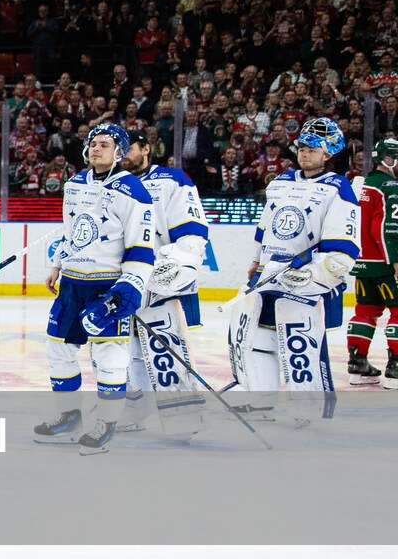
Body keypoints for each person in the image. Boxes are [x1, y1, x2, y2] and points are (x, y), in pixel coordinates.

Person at [36, 123, 159, 454]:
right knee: (57, 348)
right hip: (73, 282)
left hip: (108, 284)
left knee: (109, 355)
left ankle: (107, 422)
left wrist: (127, 291)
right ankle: (68, 415)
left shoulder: (133, 190)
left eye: (105, 144)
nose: (96, 148)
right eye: (93, 143)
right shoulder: (75, 183)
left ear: (118, 152)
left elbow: (142, 247)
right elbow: (70, 230)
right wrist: (57, 264)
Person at [228, 118, 360, 426]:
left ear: (328, 154)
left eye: (312, 149)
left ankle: (306, 407)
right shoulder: (282, 181)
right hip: (270, 274)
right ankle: (262, 401)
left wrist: (317, 274)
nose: (304, 153)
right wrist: (256, 261)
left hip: (305, 280)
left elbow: (343, 246)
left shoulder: (338, 188)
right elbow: (266, 228)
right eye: (301, 147)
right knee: (260, 337)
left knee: (298, 340)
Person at [118, 128, 211, 438]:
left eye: (129, 147)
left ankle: (184, 411)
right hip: (126, 280)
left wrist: (171, 267)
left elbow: (193, 230)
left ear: (147, 149)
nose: (123, 153)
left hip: (161, 280)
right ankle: (135, 406)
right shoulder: (113, 185)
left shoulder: (172, 181)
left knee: (165, 344)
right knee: (126, 346)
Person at [346, 138, 398, 381]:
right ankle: (395, 368)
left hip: (362, 263)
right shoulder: (390, 186)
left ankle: (358, 363)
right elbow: (387, 228)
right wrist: (395, 260)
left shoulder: (361, 184)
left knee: (365, 311)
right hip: (386, 263)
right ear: (388, 158)